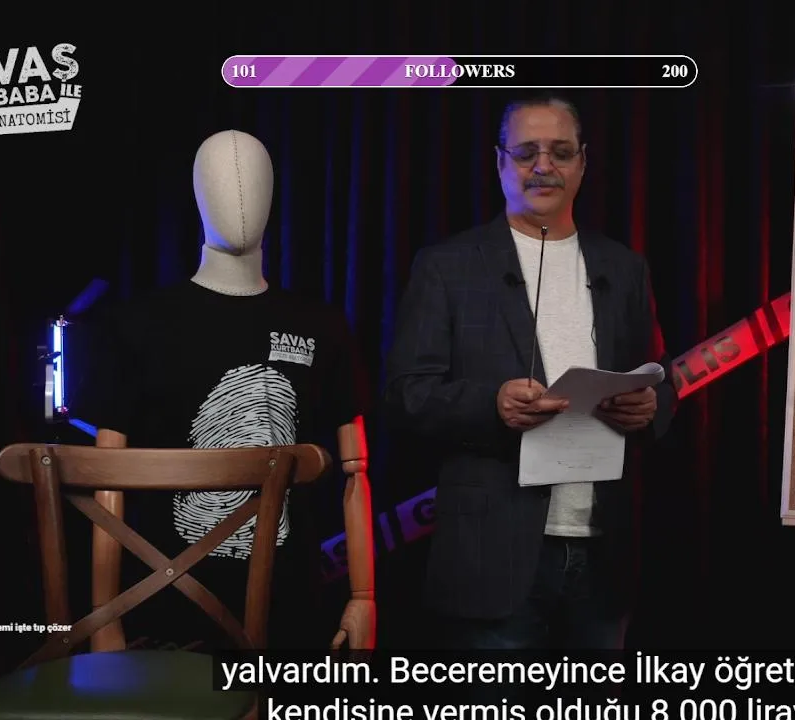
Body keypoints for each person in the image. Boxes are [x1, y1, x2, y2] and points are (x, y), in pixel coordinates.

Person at [383, 94, 676, 651]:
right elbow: (405, 395)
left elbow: (662, 380)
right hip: (491, 557)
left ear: (583, 163)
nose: (544, 166)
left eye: (560, 152)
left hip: (604, 558)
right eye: (526, 152)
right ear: (500, 162)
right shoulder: (447, 266)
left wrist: (651, 406)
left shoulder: (624, 267)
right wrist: (490, 404)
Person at [81, 129, 375, 651]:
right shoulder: (135, 326)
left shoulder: (322, 325)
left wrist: (364, 596)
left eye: (253, 181)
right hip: (167, 615)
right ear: (197, 194)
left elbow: (357, 471)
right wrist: (106, 619)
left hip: (292, 613)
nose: (239, 196)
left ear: (274, 194)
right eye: (221, 180)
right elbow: (108, 485)